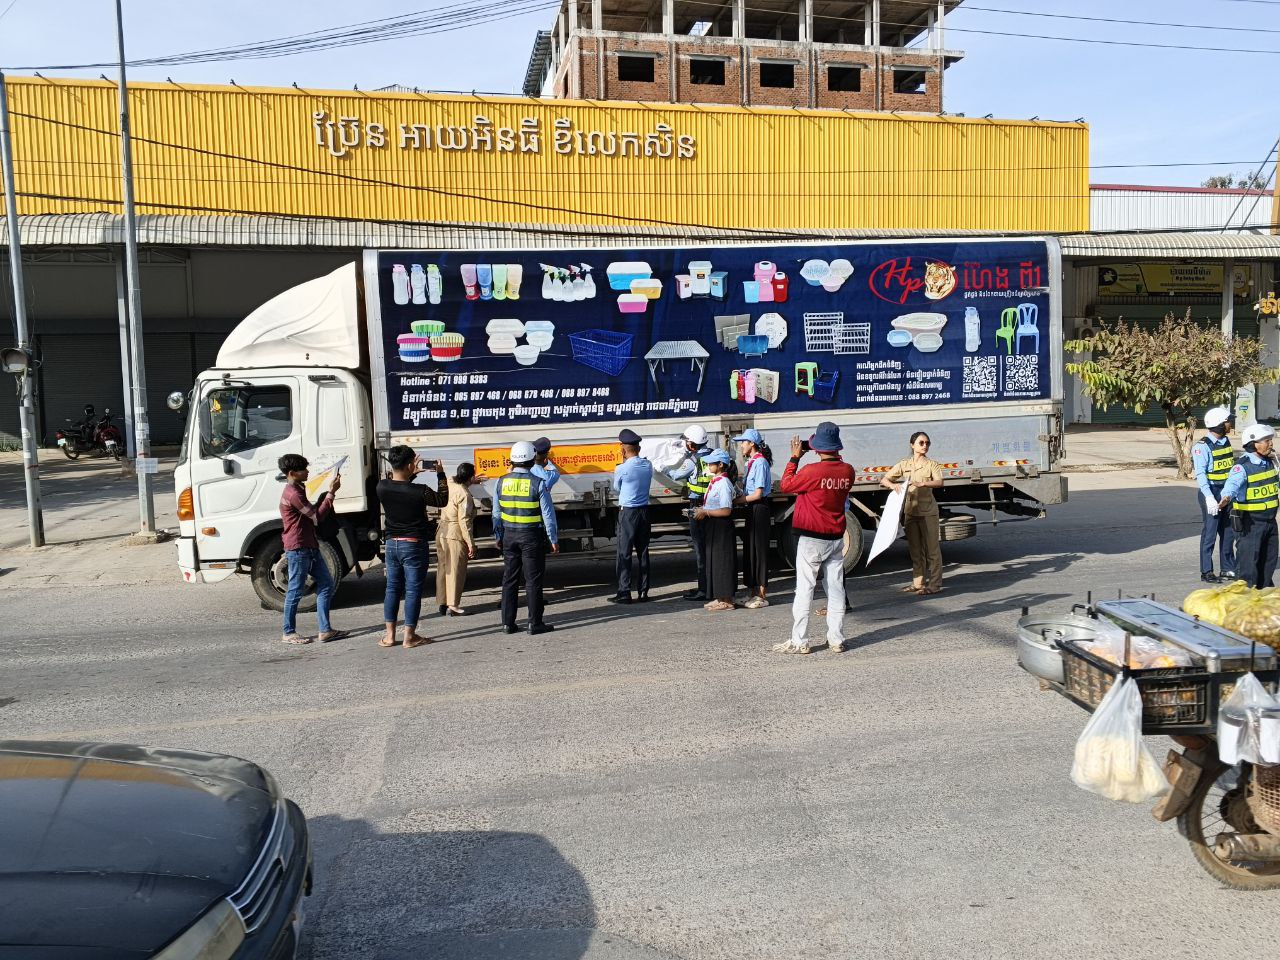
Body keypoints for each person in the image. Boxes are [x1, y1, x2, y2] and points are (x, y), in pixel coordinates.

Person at [777, 422, 856, 654]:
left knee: (805, 589)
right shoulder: (848, 471)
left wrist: (794, 457)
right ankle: (836, 639)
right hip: (836, 536)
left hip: (811, 538)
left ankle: (800, 641)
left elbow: (786, 484)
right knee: (836, 589)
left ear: (816, 448)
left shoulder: (811, 471)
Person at [377, 446, 448, 648]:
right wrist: (440, 474)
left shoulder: (382, 487)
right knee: (412, 591)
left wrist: (410, 475)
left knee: (392, 588)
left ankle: (390, 636)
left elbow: (399, 488)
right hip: (414, 545)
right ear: (410, 465)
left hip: (391, 544)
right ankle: (409, 637)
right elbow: (442, 500)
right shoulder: (420, 491)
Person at [493, 440, 559, 635]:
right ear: (532, 460)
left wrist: (498, 535)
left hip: (509, 535)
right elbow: (548, 515)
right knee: (533, 580)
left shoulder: (500, 481)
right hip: (531, 536)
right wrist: (553, 538)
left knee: (509, 580)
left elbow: (496, 514)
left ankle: (507, 624)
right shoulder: (538, 483)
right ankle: (535, 623)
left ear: (512, 460)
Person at [278, 453, 345, 645]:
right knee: (295, 590)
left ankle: (325, 630)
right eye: (303, 469)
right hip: (299, 548)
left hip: (309, 546)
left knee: (326, 584)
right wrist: (331, 493)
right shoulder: (294, 493)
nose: (307, 472)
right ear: (292, 473)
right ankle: (288, 632)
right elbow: (317, 517)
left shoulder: (297, 488)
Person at [882, 431, 945, 595]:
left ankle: (935, 584)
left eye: (927, 443)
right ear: (912, 445)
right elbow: (884, 479)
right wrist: (893, 486)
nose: (925, 446)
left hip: (928, 512)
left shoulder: (932, 464)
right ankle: (918, 583)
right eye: (921, 443)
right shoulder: (905, 464)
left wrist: (924, 483)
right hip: (911, 512)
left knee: (932, 550)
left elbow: (940, 482)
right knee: (915, 550)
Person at [1218, 423, 1278, 589]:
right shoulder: (1242, 466)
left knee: (1268, 562)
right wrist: (1226, 497)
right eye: (1266, 441)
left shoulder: (1270, 462)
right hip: (1250, 522)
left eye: (1270, 440)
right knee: (1248, 566)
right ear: (1253, 444)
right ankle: (1244, 597)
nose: (1270, 444)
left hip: (1270, 521)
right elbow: (1231, 485)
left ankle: (1263, 594)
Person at [669, 424, 713, 601]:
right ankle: (711, 586)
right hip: (713, 505)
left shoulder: (692, 461)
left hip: (697, 507)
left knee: (700, 549)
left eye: (687, 442)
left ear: (692, 444)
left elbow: (675, 475)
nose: (685, 444)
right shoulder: (715, 456)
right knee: (711, 548)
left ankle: (704, 589)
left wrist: (662, 467)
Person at [1193, 406, 1237, 583]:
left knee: (1228, 531)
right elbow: (1201, 474)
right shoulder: (1202, 446)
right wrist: (1209, 497)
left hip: (1226, 491)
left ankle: (1227, 568)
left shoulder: (1225, 441)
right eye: (1227, 421)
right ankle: (1206, 571)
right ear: (1219, 424)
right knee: (1210, 533)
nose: (1230, 424)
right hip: (1211, 492)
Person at [610, 428, 653, 604]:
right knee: (643, 552)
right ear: (639, 448)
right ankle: (643, 591)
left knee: (624, 553)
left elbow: (617, 488)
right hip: (644, 512)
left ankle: (624, 592)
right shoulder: (648, 465)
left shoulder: (621, 468)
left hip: (628, 513)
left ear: (622, 450)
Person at [732, 428, 773, 609]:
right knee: (750, 549)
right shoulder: (751, 462)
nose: (741, 445)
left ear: (752, 444)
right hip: (751, 508)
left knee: (760, 550)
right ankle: (752, 593)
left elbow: (757, 494)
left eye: (743, 442)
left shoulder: (760, 462)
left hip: (759, 508)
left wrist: (737, 501)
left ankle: (762, 595)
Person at [695, 449, 737, 612]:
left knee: (723, 562)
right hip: (713, 524)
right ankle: (720, 597)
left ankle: (727, 600)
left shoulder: (724, 483)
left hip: (721, 526)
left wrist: (706, 512)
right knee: (715, 561)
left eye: (712, 462)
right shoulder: (716, 481)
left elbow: (726, 510)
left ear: (720, 465)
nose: (708, 465)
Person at [436, 462, 479, 616]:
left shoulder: (450, 483)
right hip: (455, 534)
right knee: (455, 569)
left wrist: (471, 481)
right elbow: (464, 521)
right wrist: (470, 543)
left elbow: (451, 479)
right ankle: (453, 605)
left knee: (443, 568)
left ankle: (442, 602)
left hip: (442, 531)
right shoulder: (464, 495)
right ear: (471, 477)